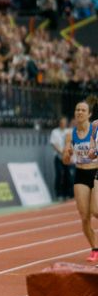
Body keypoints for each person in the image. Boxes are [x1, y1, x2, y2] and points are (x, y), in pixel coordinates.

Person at [63, 97, 98, 262]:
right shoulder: (71, 135)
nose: (79, 112)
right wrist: (68, 153)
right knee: (84, 216)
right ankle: (95, 249)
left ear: (89, 114)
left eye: (83, 110)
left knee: (96, 211)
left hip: (96, 172)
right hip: (80, 174)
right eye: (77, 110)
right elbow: (65, 160)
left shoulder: (96, 130)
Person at [50, 115, 73, 201]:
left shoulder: (69, 131)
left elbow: (71, 142)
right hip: (58, 157)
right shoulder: (54, 132)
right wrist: (61, 152)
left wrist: (68, 152)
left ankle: (67, 193)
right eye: (61, 122)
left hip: (67, 157)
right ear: (59, 123)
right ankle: (59, 194)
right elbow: (53, 144)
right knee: (59, 174)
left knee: (68, 175)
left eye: (64, 122)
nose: (63, 124)